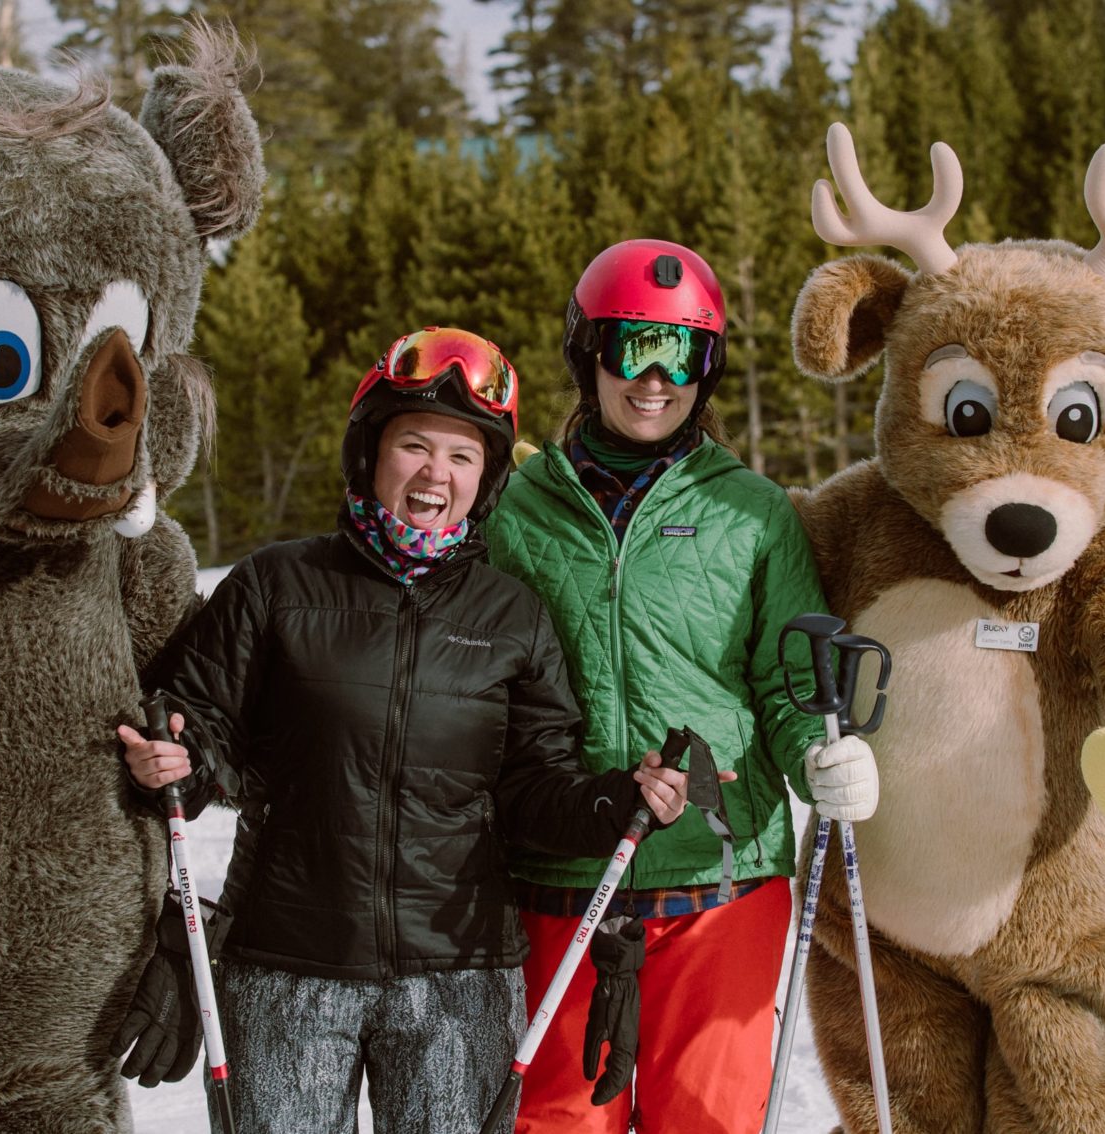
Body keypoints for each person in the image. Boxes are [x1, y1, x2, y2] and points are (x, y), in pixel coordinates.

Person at [114, 326, 693, 1134]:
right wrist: (183, 760)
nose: (435, 473)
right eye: (414, 445)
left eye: (462, 457)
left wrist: (615, 801)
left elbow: (534, 788)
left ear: (485, 479)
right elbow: (202, 719)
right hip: (289, 964)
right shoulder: (276, 586)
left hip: (457, 979)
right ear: (370, 453)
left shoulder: (511, 619)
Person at [484, 237, 880, 1133]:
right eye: (632, 348)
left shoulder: (753, 510)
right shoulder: (515, 508)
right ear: (588, 355)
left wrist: (823, 753)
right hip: (562, 865)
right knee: (557, 1120)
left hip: (720, 872)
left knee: (708, 1115)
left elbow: (786, 683)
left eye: (683, 354)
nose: (655, 380)